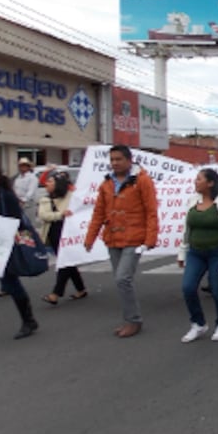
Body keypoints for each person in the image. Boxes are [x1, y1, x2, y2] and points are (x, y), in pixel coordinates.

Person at [84, 145, 159, 338]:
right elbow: (98, 212)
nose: (115, 163)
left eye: (118, 159)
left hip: (134, 238)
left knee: (122, 278)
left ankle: (133, 321)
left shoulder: (142, 181)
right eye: (112, 160)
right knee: (121, 281)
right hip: (113, 238)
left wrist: (151, 238)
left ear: (129, 160)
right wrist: (90, 237)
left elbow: (151, 211)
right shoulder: (106, 183)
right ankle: (130, 318)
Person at [177, 169, 218, 343]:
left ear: (210, 183)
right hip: (195, 253)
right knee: (188, 288)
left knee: (217, 290)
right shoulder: (193, 201)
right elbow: (187, 229)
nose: (195, 182)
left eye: (199, 179)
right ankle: (198, 324)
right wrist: (182, 252)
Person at [0, 166, 39, 339]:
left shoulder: (4, 195)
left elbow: (16, 220)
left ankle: (28, 320)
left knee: (11, 284)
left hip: (4, 246)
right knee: (8, 283)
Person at [38, 171, 87, 304]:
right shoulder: (46, 199)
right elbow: (43, 215)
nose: (46, 184)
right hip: (54, 233)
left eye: (50, 181)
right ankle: (81, 289)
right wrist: (60, 214)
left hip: (69, 233)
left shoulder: (71, 197)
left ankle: (56, 294)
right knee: (68, 262)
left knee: (64, 262)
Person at [12, 157, 38, 224]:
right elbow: (15, 189)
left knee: (29, 223)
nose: (22, 167)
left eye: (24, 165)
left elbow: (31, 191)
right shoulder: (18, 178)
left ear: (28, 167)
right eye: (21, 166)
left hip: (29, 204)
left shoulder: (32, 178)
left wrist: (23, 200)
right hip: (18, 203)